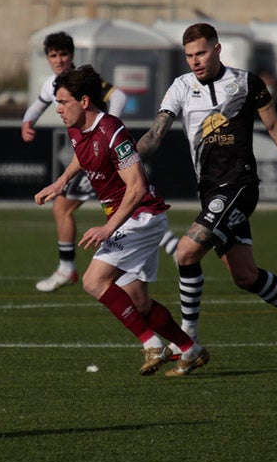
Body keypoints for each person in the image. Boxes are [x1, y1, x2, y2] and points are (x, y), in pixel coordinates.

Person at [137, 23, 277, 363]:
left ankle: (188, 341)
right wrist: (127, 157)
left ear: (217, 48)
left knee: (185, 253)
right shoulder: (180, 87)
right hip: (210, 190)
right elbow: (156, 134)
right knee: (245, 276)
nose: (194, 61)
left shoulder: (246, 83)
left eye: (200, 53)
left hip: (240, 186)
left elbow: (274, 128)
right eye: (189, 56)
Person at [34, 66, 208, 376]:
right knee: (139, 303)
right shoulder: (76, 127)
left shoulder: (113, 132)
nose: (58, 109)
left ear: (84, 101)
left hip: (141, 217)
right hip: (129, 218)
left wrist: (108, 227)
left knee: (93, 281)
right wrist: (62, 182)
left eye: (63, 102)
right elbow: (80, 152)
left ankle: (151, 343)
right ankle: (190, 349)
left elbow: (138, 186)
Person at [22, 31, 178, 292]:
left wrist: (105, 131)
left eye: (63, 54)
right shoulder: (51, 85)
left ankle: (67, 268)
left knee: (66, 208)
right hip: (85, 152)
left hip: (99, 152)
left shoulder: (81, 82)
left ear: (71, 55)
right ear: (47, 58)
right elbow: (37, 105)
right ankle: (170, 244)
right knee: (123, 206)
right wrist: (27, 122)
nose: (59, 60)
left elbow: (119, 97)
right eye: (53, 55)